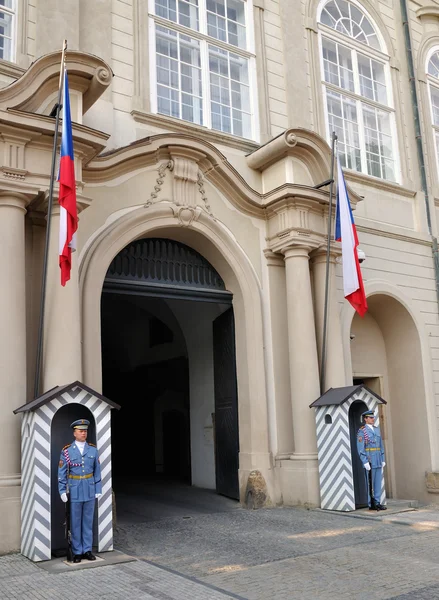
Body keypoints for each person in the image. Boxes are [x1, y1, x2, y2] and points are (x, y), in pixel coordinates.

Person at [58, 419, 102, 563]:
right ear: (74, 433)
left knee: (88, 521)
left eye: (85, 431)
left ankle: (87, 550)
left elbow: (97, 471)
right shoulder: (67, 451)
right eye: (81, 431)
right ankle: (77, 551)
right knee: (75, 522)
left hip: (89, 488)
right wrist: (62, 491)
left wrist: (98, 488)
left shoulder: (93, 450)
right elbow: (62, 473)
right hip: (75, 489)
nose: (84, 433)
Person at [356, 410, 387, 511]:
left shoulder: (376, 429)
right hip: (370, 459)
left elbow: (381, 445)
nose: (372, 419)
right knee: (370, 483)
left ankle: (377, 502)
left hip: (377, 458)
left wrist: (382, 458)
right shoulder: (362, 431)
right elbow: (361, 448)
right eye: (370, 417)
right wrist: (364, 461)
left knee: (377, 482)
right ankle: (371, 503)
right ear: (365, 419)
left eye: (373, 417)